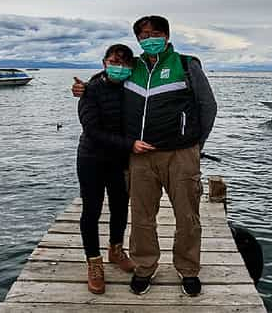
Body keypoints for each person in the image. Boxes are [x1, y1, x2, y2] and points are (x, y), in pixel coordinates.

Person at [123, 15, 217, 297]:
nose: (148, 38)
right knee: (141, 217)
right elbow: (108, 91)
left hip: (181, 155)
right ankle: (144, 267)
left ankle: (188, 269)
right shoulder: (132, 67)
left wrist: (195, 146)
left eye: (153, 33)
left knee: (188, 217)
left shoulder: (187, 65)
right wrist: (84, 90)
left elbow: (208, 107)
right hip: (141, 156)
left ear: (166, 35)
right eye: (142, 35)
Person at [76, 44, 139, 294]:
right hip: (91, 158)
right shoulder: (90, 89)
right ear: (104, 63)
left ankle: (115, 250)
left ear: (130, 67)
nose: (118, 66)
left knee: (120, 207)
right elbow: (92, 130)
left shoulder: (133, 89)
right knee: (91, 210)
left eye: (123, 63)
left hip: (121, 160)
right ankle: (94, 263)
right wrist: (131, 145)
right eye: (113, 61)